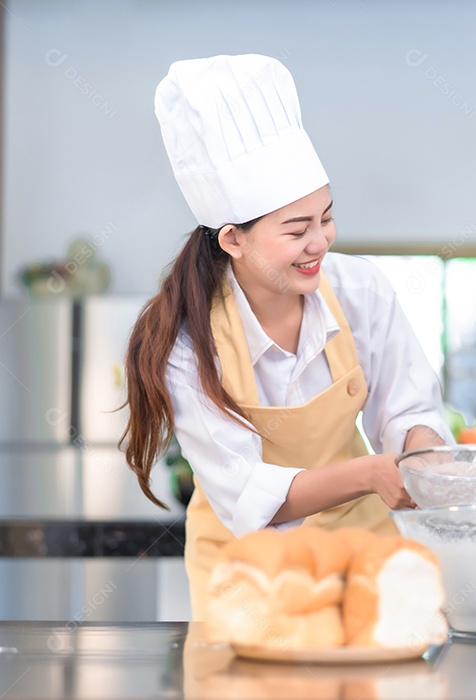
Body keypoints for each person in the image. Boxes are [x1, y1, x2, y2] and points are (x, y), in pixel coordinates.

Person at [120, 54, 451, 619]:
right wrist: (371, 472)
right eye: (297, 230)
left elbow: (407, 406)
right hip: (251, 567)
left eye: (325, 218)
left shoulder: (358, 290)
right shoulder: (185, 344)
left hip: (361, 548)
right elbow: (249, 495)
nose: (321, 242)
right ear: (233, 241)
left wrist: (421, 456)